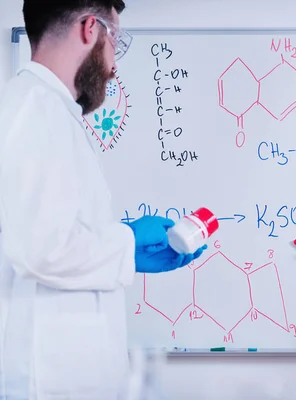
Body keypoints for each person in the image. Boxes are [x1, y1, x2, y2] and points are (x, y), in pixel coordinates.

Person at [0, 1, 205, 398]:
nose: (114, 65)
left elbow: (48, 234)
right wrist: (127, 242)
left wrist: (125, 246)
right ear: (90, 30)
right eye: (117, 43)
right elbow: (39, 249)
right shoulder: (34, 109)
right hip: (47, 383)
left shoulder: (48, 111)